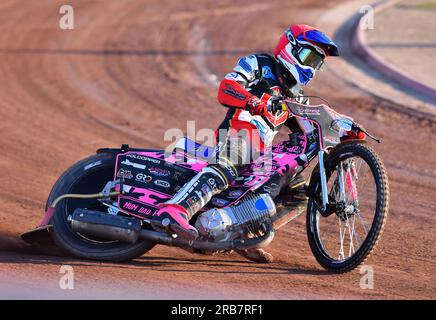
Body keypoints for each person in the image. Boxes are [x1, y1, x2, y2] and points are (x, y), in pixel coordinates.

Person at [154, 24, 340, 262]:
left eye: (317, 63)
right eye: (309, 57)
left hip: (261, 154)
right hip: (235, 135)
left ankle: (245, 232)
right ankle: (176, 210)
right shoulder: (260, 64)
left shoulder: (297, 97)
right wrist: (253, 101)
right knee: (239, 152)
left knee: (300, 191)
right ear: (291, 47)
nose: (312, 68)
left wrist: (338, 132)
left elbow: (310, 132)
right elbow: (226, 89)